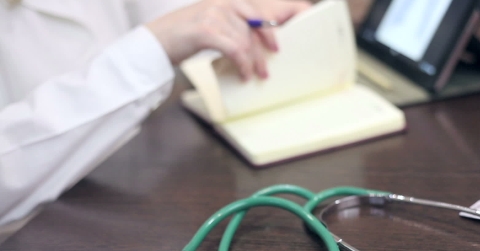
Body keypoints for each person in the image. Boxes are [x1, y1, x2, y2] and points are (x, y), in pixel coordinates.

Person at [0, 0, 311, 228]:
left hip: (134, 172)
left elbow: (165, 12)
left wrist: (240, 15)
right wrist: (152, 49)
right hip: (30, 238)